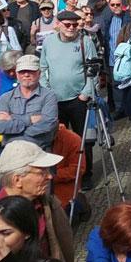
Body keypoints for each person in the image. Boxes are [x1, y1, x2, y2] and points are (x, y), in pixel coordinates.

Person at [38, 10, 99, 187]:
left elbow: (93, 69)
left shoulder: (85, 41)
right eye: (68, 25)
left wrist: (85, 93)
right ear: (58, 24)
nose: (72, 28)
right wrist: (47, 92)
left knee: (83, 139)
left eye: (74, 24)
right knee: (57, 139)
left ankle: (86, 173)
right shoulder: (49, 42)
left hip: (78, 98)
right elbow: (42, 68)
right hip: (55, 100)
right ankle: (61, 172)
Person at [0, 54, 58, 149]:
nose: (26, 75)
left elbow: (48, 125)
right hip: (11, 151)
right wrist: (30, 120)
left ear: (39, 73)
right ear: (17, 74)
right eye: (22, 72)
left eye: (31, 71)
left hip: (39, 150)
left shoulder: (49, 96)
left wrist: (12, 118)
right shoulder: (5, 98)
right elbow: (0, 127)